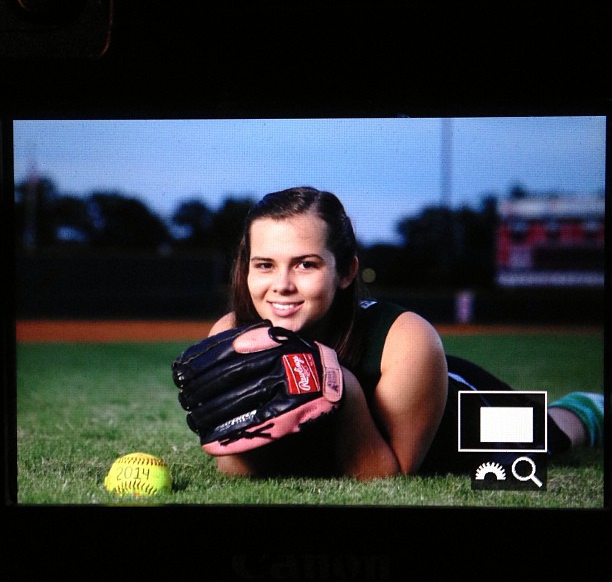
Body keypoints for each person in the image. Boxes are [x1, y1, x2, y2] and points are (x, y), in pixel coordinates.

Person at [206, 186, 604, 480]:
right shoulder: (233, 337)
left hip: (453, 408)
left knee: (549, 432)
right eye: (264, 265)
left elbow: (386, 478)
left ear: (345, 272)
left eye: (306, 264)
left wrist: (340, 385)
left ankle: (588, 407)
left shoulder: (406, 338)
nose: (282, 285)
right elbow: (238, 467)